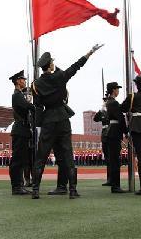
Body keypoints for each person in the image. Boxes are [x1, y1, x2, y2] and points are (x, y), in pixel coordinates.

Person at [30, 44, 102, 199]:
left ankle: (35, 189)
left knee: (41, 155)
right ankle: (73, 190)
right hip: (62, 117)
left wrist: (38, 124)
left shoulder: (36, 84)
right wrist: (89, 53)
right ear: (50, 64)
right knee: (67, 154)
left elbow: (38, 107)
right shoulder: (60, 76)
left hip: (48, 119)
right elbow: (75, 67)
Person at [8, 70, 34, 195]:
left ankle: (19, 185)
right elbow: (28, 107)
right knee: (17, 160)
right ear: (18, 81)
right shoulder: (17, 95)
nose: (24, 81)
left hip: (22, 130)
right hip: (20, 129)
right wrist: (32, 104)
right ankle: (16, 187)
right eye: (23, 79)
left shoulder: (20, 95)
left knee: (21, 159)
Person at [104, 82, 127, 193]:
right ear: (114, 90)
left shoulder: (109, 102)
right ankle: (116, 186)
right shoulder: (113, 103)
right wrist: (126, 132)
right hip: (114, 131)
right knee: (115, 161)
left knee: (114, 160)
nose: (118, 91)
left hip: (112, 131)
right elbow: (120, 118)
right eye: (117, 89)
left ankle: (114, 184)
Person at [93, 98, 111, 186]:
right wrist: (100, 110)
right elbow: (95, 119)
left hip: (111, 133)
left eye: (106, 101)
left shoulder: (112, 110)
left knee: (112, 158)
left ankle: (113, 179)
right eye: (104, 102)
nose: (105, 103)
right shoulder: (102, 112)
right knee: (107, 158)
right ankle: (109, 179)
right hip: (104, 135)